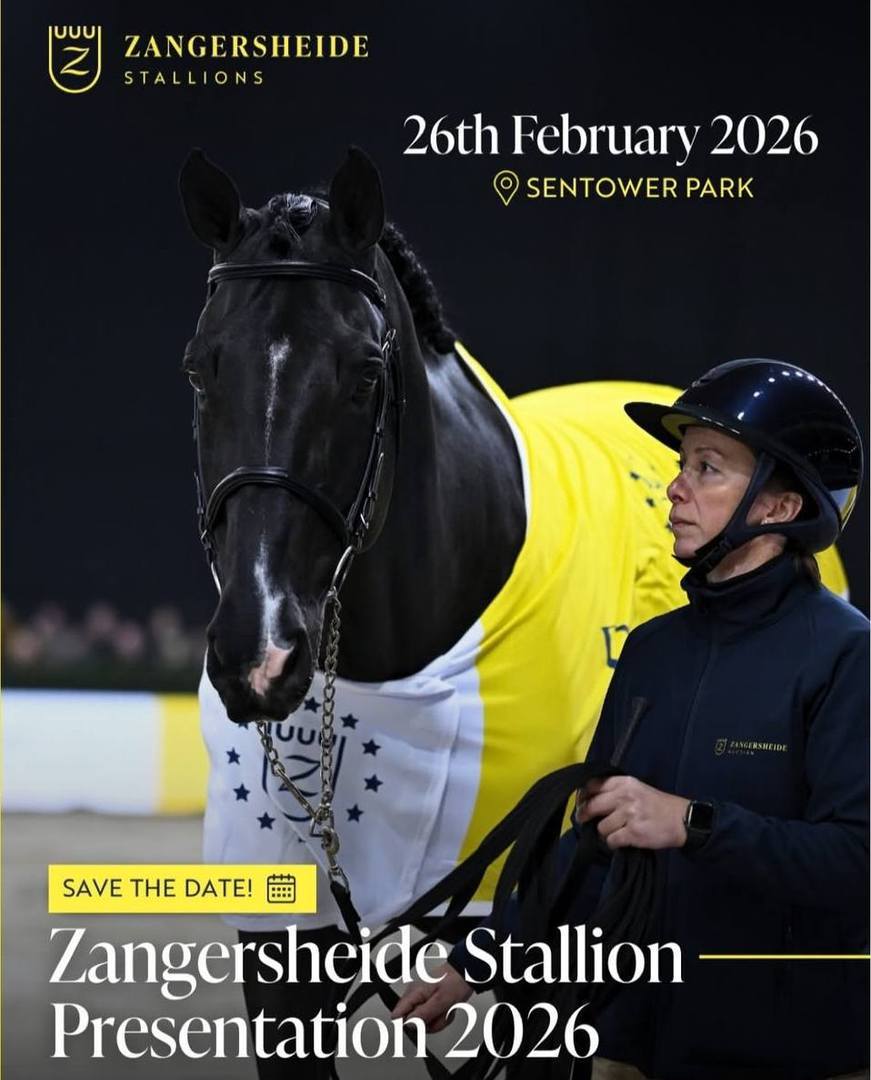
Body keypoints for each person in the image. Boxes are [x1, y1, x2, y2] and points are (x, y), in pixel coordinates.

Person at [393, 358, 870, 1080]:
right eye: (682, 465)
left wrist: (691, 823)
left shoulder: (847, 655)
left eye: (707, 468)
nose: (676, 487)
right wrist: (476, 961)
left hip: (791, 1056)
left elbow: (854, 862)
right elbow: (596, 842)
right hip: (636, 1049)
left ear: (778, 508)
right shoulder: (654, 650)